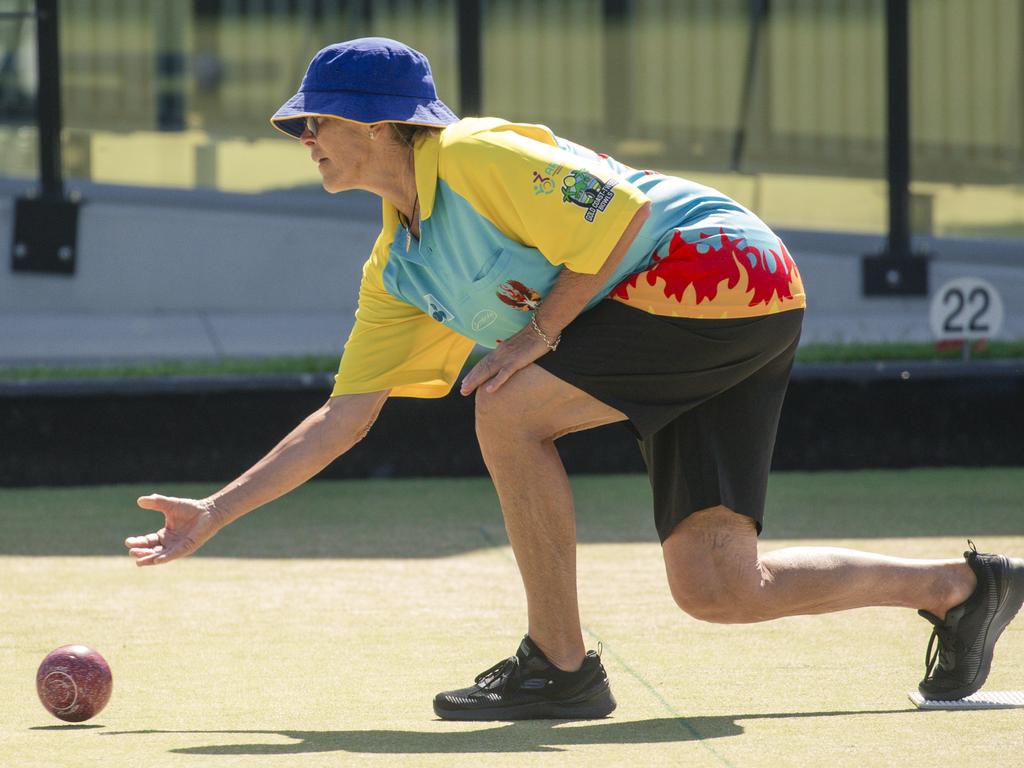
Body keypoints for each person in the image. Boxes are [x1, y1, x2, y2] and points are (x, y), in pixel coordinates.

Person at [124, 37, 1023, 720]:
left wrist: (542, 330)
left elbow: (623, 211)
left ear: (376, 124)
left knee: (508, 409)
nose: (303, 138)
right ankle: (960, 588)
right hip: (724, 318)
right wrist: (215, 512)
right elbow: (343, 418)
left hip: (721, 264)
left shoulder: (473, 155)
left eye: (314, 122)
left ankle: (558, 667)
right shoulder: (399, 270)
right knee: (718, 588)